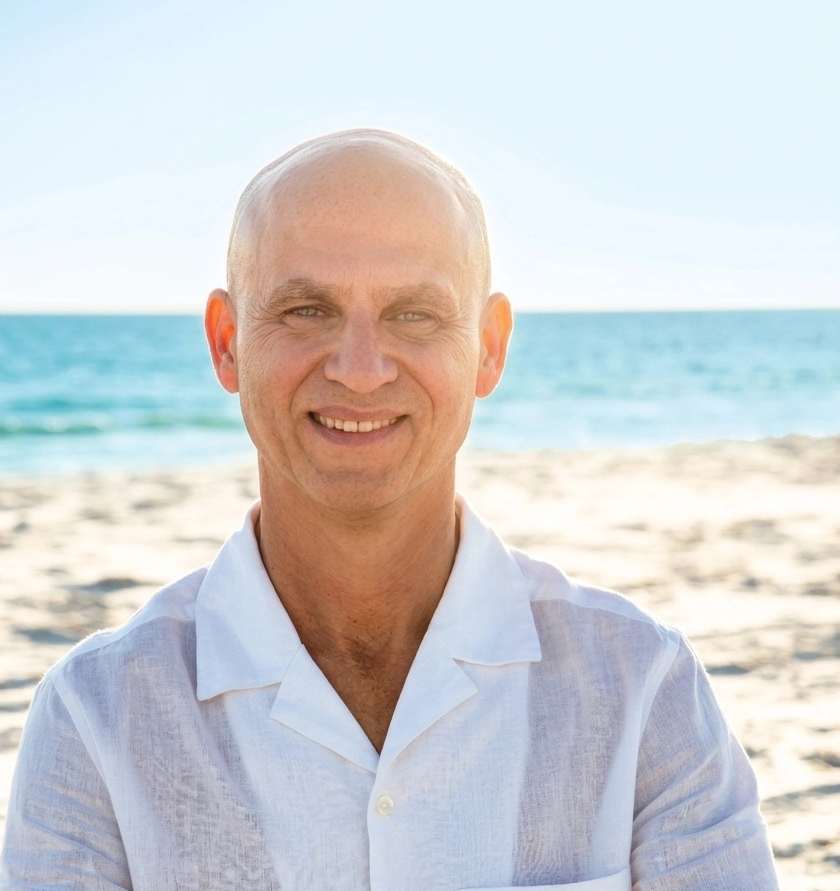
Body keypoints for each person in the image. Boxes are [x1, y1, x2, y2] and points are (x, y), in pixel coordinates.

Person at [0, 130, 778, 890]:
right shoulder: (96, 718)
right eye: (306, 309)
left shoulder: (642, 689)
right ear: (227, 342)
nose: (361, 369)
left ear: (488, 347)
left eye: (415, 314)